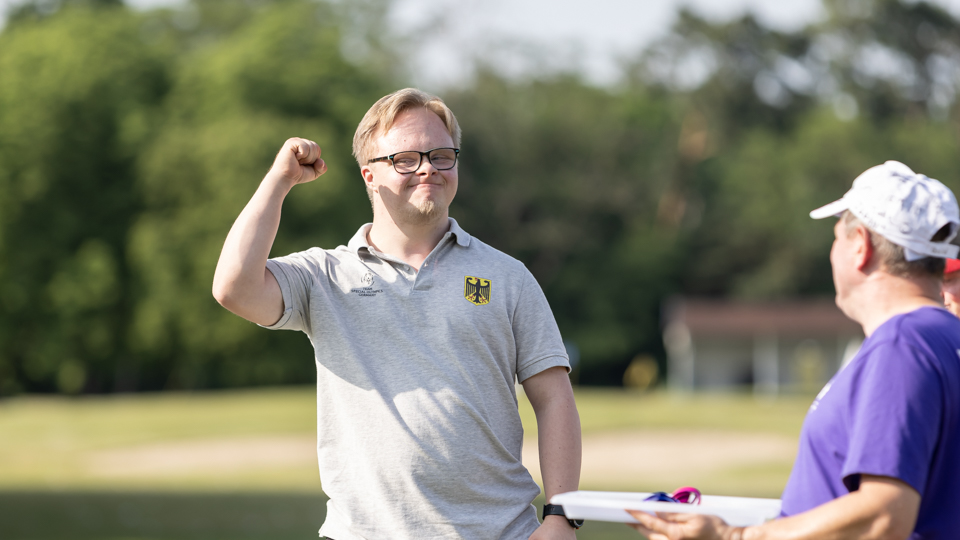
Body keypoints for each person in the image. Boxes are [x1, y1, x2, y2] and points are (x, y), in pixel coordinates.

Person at [212, 88, 582, 540]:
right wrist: (279, 180)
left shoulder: (508, 276)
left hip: (500, 532)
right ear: (369, 175)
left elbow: (554, 397)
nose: (428, 167)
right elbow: (234, 288)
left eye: (443, 155)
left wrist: (561, 515)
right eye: (406, 158)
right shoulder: (325, 275)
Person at [628, 161, 960, 540]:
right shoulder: (943, 338)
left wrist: (733, 537)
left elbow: (884, 516)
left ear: (861, 246)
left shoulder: (902, 344)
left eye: (837, 236)